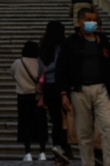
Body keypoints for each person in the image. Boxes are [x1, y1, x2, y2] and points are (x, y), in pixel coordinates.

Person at [58, 8, 110, 166]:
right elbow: (61, 69)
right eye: (89, 19)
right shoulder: (70, 43)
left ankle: (109, 163)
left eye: (95, 20)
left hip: (102, 89)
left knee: (107, 128)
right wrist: (63, 93)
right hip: (79, 90)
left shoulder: (103, 41)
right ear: (79, 21)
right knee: (84, 132)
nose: (93, 23)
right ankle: (87, 163)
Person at [39, 20, 72, 163]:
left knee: (55, 120)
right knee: (65, 119)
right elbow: (66, 66)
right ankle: (64, 146)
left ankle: (56, 147)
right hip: (62, 85)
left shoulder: (43, 48)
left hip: (48, 87)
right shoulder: (63, 47)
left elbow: (40, 70)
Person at [11, 40, 48, 162]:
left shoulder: (18, 62)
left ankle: (28, 152)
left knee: (25, 124)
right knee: (41, 123)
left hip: (23, 96)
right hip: (38, 96)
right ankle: (42, 152)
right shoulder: (39, 62)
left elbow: (13, 73)